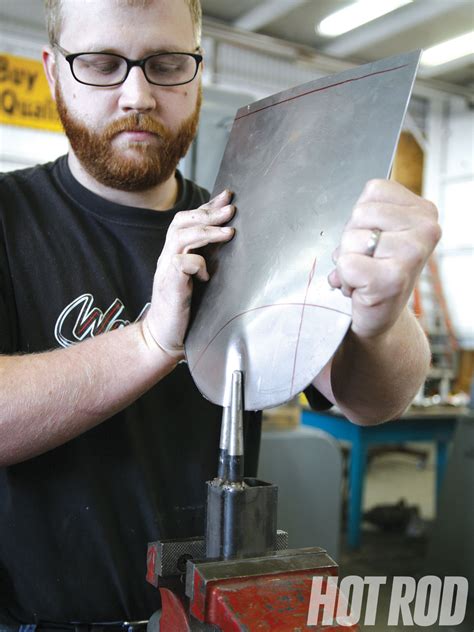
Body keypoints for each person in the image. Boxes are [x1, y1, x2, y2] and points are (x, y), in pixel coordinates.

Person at [0, 0, 441, 626]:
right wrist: (154, 339)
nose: (137, 95)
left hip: (208, 615)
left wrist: (381, 318)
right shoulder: (9, 218)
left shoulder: (248, 229)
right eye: (100, 64)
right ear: (52, 71)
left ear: (198, 70)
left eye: (167, 63)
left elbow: (372, 401)